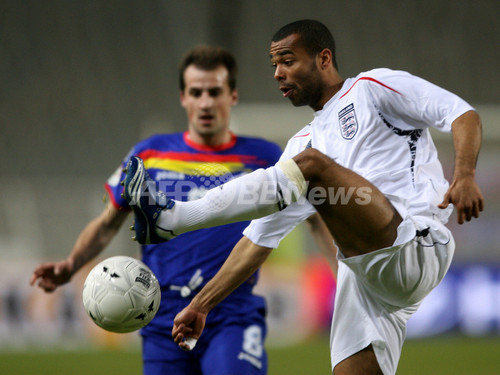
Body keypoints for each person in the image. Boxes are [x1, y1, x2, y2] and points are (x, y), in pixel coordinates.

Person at [123, 20, 484, 375]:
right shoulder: (300, 146)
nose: (278, 72)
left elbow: (461, 113)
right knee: (305, 166)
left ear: (323, 58)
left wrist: (465, 175)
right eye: (274, 64)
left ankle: (174, 218)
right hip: (367, 280)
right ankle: (174, 220)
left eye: (288, 60)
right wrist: (201, 305)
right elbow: (258, 240)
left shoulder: (372, 88)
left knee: (311, 166)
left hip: (413, 241)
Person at [30, 45, 286, 375]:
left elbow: (311, 219)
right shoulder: (149, 154)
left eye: (214, 91)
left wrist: (343, 271)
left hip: (230, 310)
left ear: (232, 95)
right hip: (159, 313)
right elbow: (108, 223)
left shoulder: (264, 156)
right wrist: (71, 263)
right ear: (183, 97)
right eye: (196, 92)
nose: (205, 102)